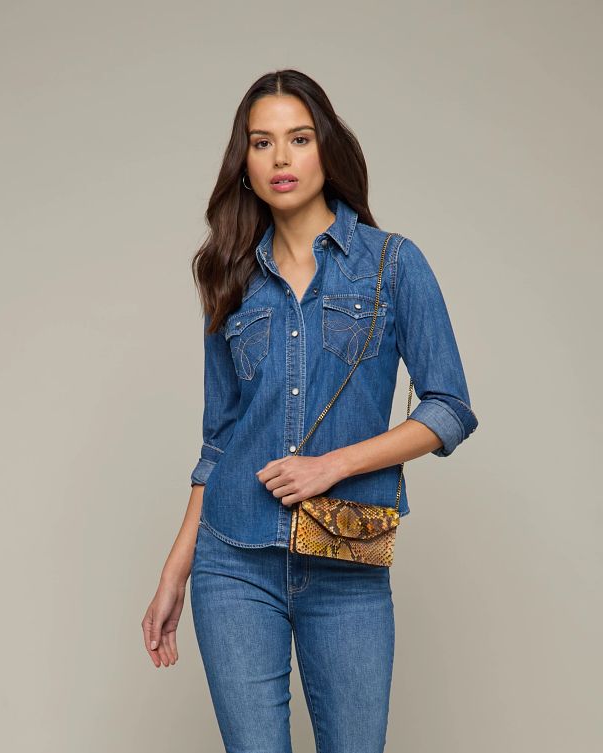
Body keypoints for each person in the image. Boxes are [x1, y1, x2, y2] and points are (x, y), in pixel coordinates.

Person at [142, 68, 479, 753]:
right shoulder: (229, 275)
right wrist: (176, 568)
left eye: (298, 138)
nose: (281, 157)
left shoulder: (391, 264)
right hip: (233, 561)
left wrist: (333, 465)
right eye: (261, 142)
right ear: (245, 163)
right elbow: (219, 440)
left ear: (327, 148)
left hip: (346, 566)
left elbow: (450, 407)